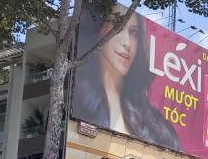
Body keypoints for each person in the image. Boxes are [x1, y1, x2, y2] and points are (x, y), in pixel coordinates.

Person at [73, 8, 180, 150]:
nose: (127, 43)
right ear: (99, 30)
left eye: (133, 32)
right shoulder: (78, 98)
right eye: (118, 27)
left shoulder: (156, 125)